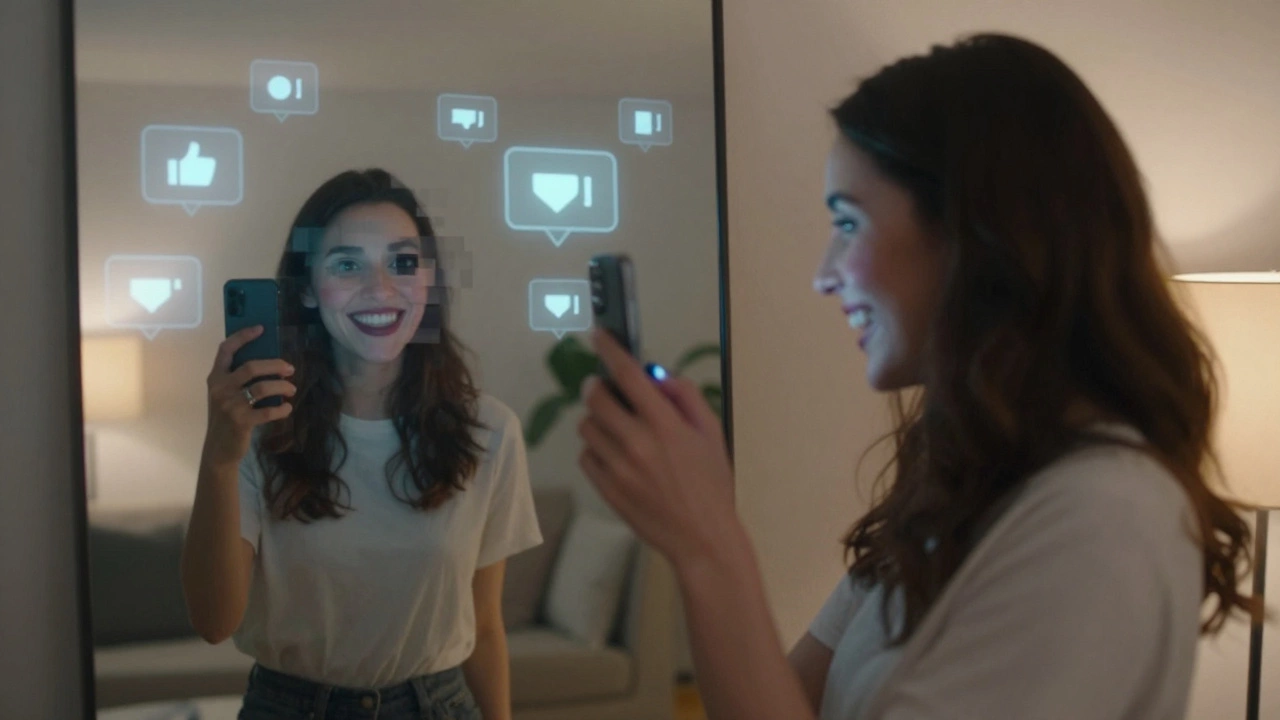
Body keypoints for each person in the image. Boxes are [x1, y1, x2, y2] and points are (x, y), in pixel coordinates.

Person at [577, 32, 1270, 720]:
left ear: (975, 232)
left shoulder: (1103, 518)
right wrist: (699, 533)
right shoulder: (957, 489)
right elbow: (786, 702)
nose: (823, 275)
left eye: (849, 222)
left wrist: (709, 546)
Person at [181, 168, 541, 720]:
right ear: (304, 288)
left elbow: (485, 626)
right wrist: (220, 459)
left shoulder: (489, 431)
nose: (381, 289)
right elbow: (213, 622)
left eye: (402, 262)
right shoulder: (259, 427)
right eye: (348, 264)